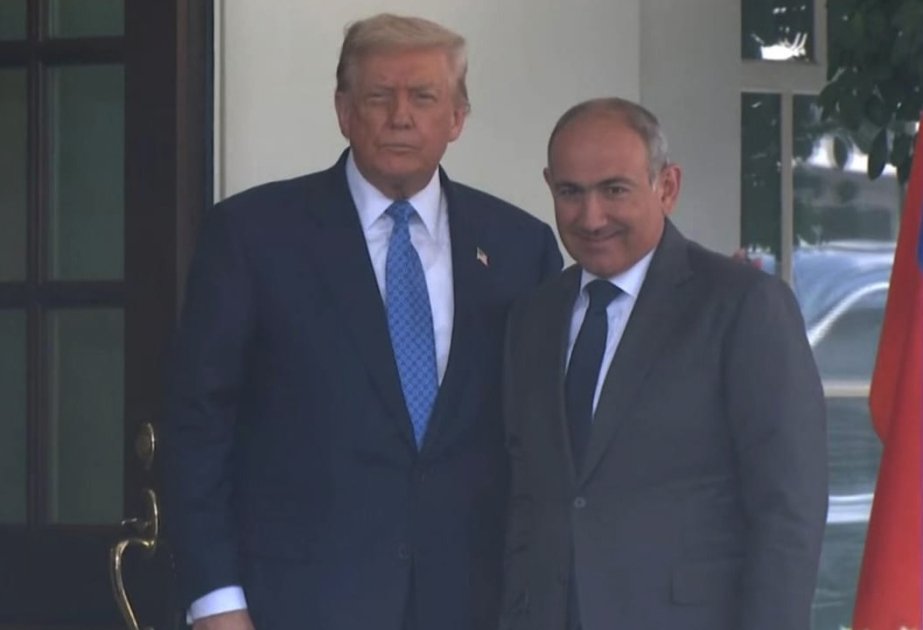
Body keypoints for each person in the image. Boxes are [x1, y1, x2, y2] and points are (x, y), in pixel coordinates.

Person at [161, 14, 562, 630]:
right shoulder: (252, 235)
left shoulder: (519, 247)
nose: (400, 116)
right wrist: (215, 599)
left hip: (473, 602)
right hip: (297, 603)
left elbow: (540, 439)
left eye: (423, 97)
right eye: (378, 96)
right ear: (343, 111)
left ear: (457, 118)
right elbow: (198, 428)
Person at [499, 98, 828, 630]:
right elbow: (526, 497)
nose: (591, 217)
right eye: (570, 192)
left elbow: (788, 510)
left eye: (614, 190)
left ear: (667, 187)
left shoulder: (742, 305)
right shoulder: (534, 317)